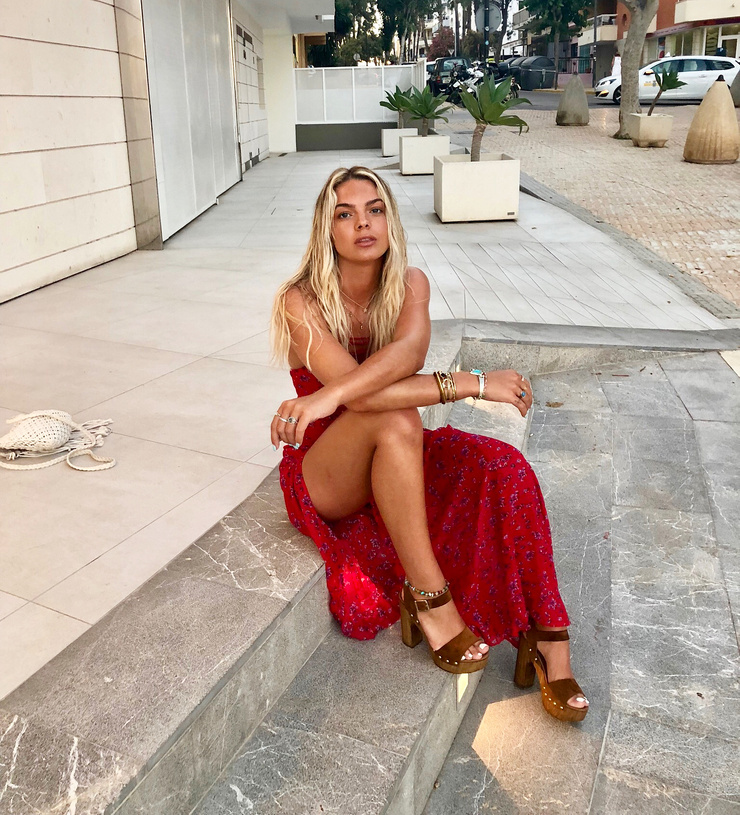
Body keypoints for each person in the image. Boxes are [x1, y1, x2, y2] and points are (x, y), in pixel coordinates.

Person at [270, 166, 589, 722]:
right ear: (327, 229)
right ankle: (429, 598)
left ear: (390, 220)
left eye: (374, 210)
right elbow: (365, 403)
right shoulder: (301, 301)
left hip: (395, 448)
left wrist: (328, 394)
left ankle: (547, 633)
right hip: (327, 469)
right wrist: (474, 383)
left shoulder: (409, 284)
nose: (363, 224)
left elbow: (408, 356)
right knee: (393, 419)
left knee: (503, 464)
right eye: (346, 214)